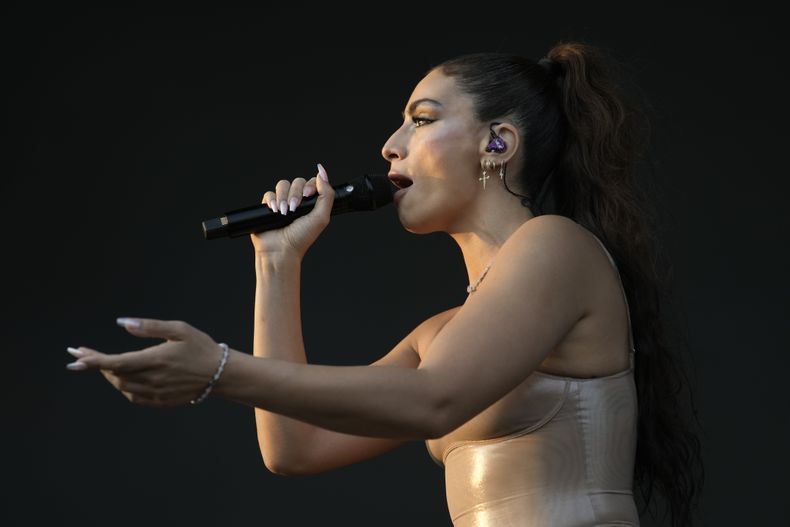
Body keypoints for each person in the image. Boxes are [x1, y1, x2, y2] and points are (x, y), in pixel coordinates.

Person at [66, 41, 704, 526]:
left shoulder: (555, 246)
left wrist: (218, 369)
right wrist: (277, 264)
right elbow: (294, 447)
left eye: (421, 120)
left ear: (498, 143)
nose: (390, 146)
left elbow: (434, 401)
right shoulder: (439, 335)